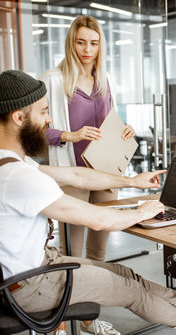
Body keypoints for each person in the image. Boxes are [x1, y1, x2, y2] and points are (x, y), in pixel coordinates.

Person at [0, 70, 176, 335]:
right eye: (44, 112)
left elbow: (76, 175)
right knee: (129, 290)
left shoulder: (12, 164)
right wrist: (142, 211)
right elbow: (99, 220)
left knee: (122, 272)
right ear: (19, 118)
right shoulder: (18, 176)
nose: (49, 120)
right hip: (31, 285)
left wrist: (133, 182)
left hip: (35, 270)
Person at [40, 16, 131, 264]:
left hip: (105, 173)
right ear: (71, 43)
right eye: (81, 43)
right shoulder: (54, 80)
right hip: (72, 177)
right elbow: (36, 131)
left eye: (94, 43)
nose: (87, 50)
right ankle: (71, 299)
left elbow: (111, 122)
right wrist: (71, 135)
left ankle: (94, 299)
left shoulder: (106, 79)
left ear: (101, 46)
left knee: (99, 251)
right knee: (71, 251)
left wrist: (124, 129)